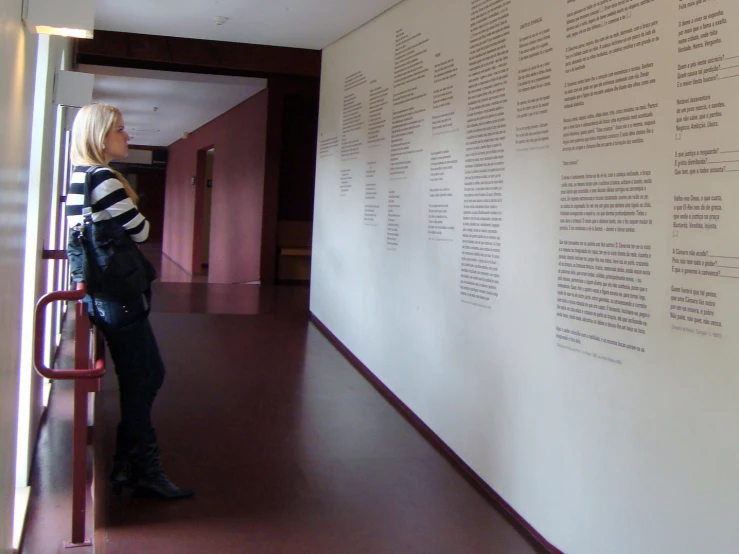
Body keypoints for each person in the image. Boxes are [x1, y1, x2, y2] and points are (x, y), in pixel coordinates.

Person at [66, 103, 194, 500]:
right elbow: (140, 231)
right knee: (144, 377)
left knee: (145, 375)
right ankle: (142, 468)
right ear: (100, 136)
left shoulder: (78, 176)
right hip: (119, 297)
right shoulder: (103, 177)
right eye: (120, 129)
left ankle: (128, 462)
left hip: (104, 297)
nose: (127, 136)